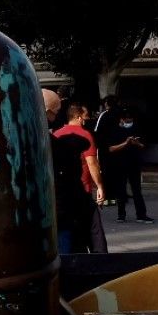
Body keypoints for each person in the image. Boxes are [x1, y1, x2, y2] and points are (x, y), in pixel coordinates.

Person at [52, 103, 105, 252]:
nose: (86, 120)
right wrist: (100, 186)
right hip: (82, 190)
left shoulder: (56, 135)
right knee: (93, 231)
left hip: (61, 196)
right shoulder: (85, 134)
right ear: (78, 117)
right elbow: (92, 163)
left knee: (70, 233)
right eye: (85, 117)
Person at [100, 105, 151, 222]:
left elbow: (143, 145)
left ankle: (141, 215)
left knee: (137, 190)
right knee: (121, 190)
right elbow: (111, 148)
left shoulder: (137, 128)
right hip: (119, 164)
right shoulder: (115, 131)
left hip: (134, 163)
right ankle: (121, 215)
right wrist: (125, 143)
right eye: (126, 120)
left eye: (130, 120)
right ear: (121, 119)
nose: (129, 122)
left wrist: (136, 143)